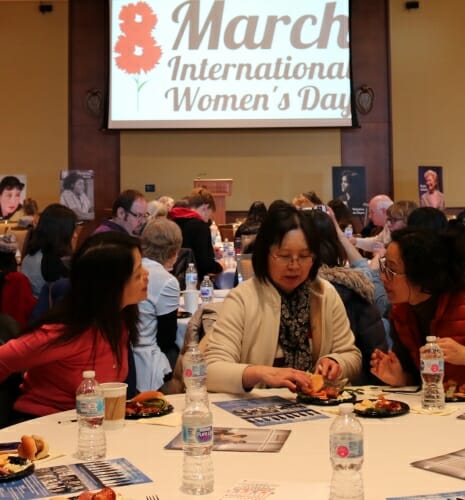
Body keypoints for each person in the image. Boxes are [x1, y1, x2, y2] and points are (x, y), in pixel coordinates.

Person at [204, 202, 361, 394]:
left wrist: (336, 362)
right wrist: (261, 373)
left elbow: (351, 355)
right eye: (284, 256)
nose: (294, 266)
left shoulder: (324, 294)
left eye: (304, 256)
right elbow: (210, 371)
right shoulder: (243, 299)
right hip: (257, 410)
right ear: (265, 254)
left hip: (316, 405)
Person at [0, 232, 148, 418]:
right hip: (44, 427)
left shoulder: (118, 321)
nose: (146, 275)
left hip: (90, 425)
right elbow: (3, 359)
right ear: (111, 287)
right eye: (138, 273)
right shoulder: (64, 334)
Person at [370, 228, 465, 387]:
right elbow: (418, 380)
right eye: (384, 265)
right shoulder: (400, 313)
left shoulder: (460, 300)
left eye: (391, 270)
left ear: (419, 274)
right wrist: (400, 378)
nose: (382, 277)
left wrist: (463, 355)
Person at [303, 209, 388, 384]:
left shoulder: (344, 289)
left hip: (341, 386)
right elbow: (376, 355)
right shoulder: (355, 286)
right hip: (358, 387)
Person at [134, 217, 182, 392]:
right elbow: (166, 337)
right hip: (145, 357)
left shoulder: (134, 267)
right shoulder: (166, 281)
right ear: (174, 251)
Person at [21, 204, 78, 297]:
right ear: (61, 232)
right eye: (72, 230)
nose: (75, 235)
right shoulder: (52, 264)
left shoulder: (30, 256)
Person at [169, 187, 223, 281]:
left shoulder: (172, 219)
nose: (208, 219)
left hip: (171, 277)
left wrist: (209, 250)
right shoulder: (200, 226)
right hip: (193, 280)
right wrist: (220, 267)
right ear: (205, 207)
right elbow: (205, 264)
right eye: (210, 214)